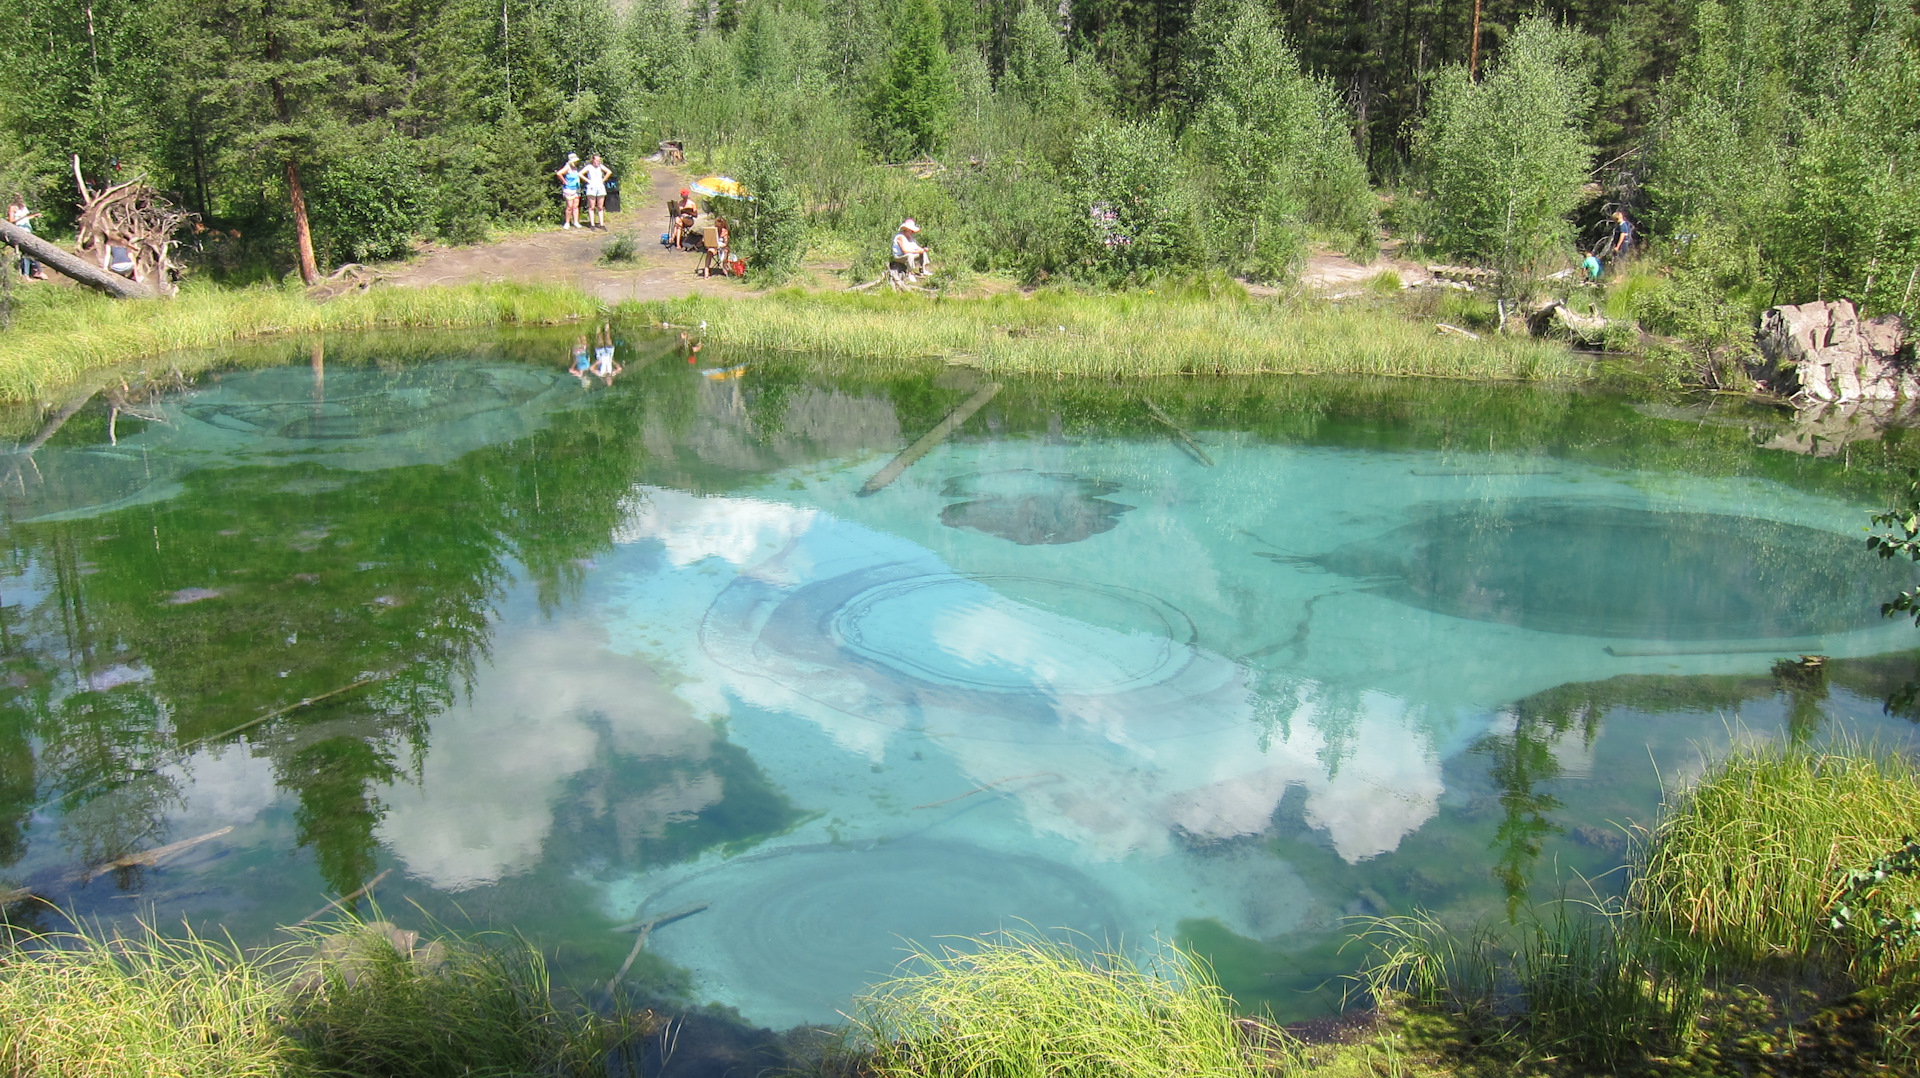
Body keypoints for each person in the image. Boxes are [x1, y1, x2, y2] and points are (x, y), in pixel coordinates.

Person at [7, 195, 46, 280]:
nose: (21, 200)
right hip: (19, 231)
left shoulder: (23, 206)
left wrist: (35, 215)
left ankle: (38, 271)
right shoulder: (12, 208)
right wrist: (22, 217)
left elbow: (27, 217)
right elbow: (11, 221)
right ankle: (26, 275)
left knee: (34, 250)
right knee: (26, 252)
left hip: (28, 230)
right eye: (19, 198)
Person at [581, 154, 613, 230]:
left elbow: (609, 172)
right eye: (597, 160)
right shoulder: (589, 167)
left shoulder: (600, 166)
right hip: (591, 188)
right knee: (591, 206)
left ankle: (601, 224)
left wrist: (603, 180)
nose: (598, 162)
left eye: (599, 160)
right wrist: (588, 180)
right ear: (593, 160)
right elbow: (580, 173)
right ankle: (592, 224)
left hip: (600, 187)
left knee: (600, 207)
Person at [555, 154, 583, 230]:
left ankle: (576, 222)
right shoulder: (567, 167)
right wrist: (564, 181)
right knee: (569, 206)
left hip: (576, 188)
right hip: (569, 189)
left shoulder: (575, 167)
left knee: (576, 206)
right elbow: (559, 173)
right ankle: (567, 222)